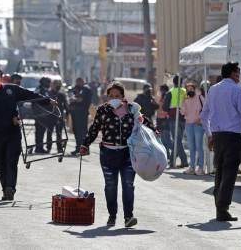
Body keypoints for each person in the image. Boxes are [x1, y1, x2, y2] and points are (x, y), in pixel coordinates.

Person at [79, 81, 155, 228]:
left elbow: (144, 121)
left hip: (128, 153)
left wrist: (154, 130)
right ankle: (112, 216)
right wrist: (85, 144)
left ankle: (128, 217)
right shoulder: (102, 110)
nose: (114, 98)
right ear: (107, 97)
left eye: (117, 95)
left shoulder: (132, 109)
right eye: (111, 95)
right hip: (108, 154)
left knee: (128, 185)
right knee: (110, 186)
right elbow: (94, 129)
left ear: (123, 96)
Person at [0, 68, 53, 200]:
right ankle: (5, 189)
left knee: (12, 161)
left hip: (14, 133)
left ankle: (11, 189)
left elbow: (29, 94)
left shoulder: (11, 89)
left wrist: (47, 100)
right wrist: (10, 120)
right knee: (2, 164)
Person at [200, 62, 241, 221]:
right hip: (232, 136)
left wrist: (210, 134)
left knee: (220, 171)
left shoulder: (213, 89)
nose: (240, 75)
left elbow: (204, 115)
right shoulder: (237, 90)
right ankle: (222, 208)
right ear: (233, 74)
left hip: (217, 136)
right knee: (229, 173)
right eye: (238, 72)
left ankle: (219, 203)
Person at [163, 75, 188, 168]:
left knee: (177, 140)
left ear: (173, 82)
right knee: (178, 140)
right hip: (184, 118)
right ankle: (172, 161)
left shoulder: (171, 92)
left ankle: (184, 160)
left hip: (174, 118)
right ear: (181, 82)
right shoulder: (185, 91)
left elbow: (165, 107)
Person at [181, 82, 205, 175]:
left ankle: (201, 168)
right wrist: (182, 102)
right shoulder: (186, 100)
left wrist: (201, 119)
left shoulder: (200, 97)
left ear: (195, 89)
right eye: (188, 89)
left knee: (199, 147)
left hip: (198, 124)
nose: (190, 91)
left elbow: (206, 108)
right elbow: (183, 113)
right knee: (191, 147)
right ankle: (192, 167)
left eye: (191, 89)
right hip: (188, 124)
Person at [69, 78, 92, 156]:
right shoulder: (75, 89)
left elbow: (80, 99)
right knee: (76, 131)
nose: (77, 83)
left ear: (82, 82)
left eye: (79, 82)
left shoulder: (86, 89)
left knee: (82, 132)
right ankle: (78, 148)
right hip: (75, 113)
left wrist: (74, 99)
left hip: (82, 113)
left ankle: (85, 149)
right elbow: (71, 97)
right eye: (76, 82)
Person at [47, 79, 69, 153]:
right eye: (55, 84)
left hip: (59, 116)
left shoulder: (61, 94)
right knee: (49, 132)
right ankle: (48, 147)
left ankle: (59, 148)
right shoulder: (49, 93)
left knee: (59, 133)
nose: (57, 86)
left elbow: (65, 104)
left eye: (58, 84)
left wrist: (68, 113)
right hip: (50, 115)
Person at [34, 77, 51, 153]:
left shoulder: (40, 89)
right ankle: (39, 148)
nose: (49, 84)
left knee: (40, 131)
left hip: (41, 114)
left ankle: (39, 147)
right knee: (40, 131)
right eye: (48, 82)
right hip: (41, 114)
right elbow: (39, 101)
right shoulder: (41, 90)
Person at [156, 84, 172, 160]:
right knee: (162, 140)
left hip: (165, 119)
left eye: (161, 90)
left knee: (167, 139)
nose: (160, 91)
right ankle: (167, 155)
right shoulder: (161, 97)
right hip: (159, 119)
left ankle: (177, 151)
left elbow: (166, 108)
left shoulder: (166, 96)